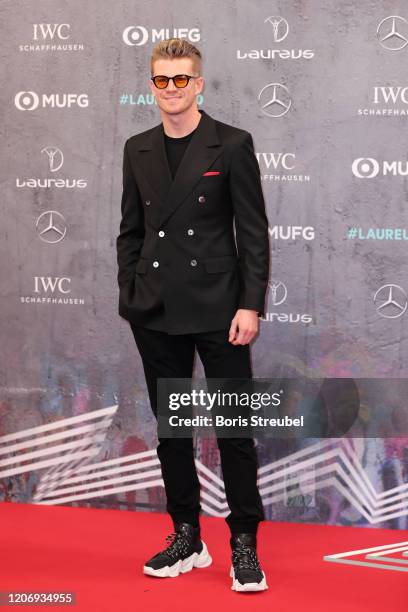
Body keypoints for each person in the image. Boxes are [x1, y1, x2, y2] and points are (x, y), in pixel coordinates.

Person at [116, 37, 270, 592]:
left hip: (221, 309)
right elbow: (130, 231)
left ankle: (244, 543)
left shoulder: (230, 145)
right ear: (152, 84)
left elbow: (252, 232)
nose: (172, 89)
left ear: (199, 83)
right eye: (162, 80)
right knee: (172, 431)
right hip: (155, 309)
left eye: (182, 79)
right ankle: (187, 535)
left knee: (233, 431)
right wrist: (131, 291)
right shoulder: (137, 148)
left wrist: (250, 303)